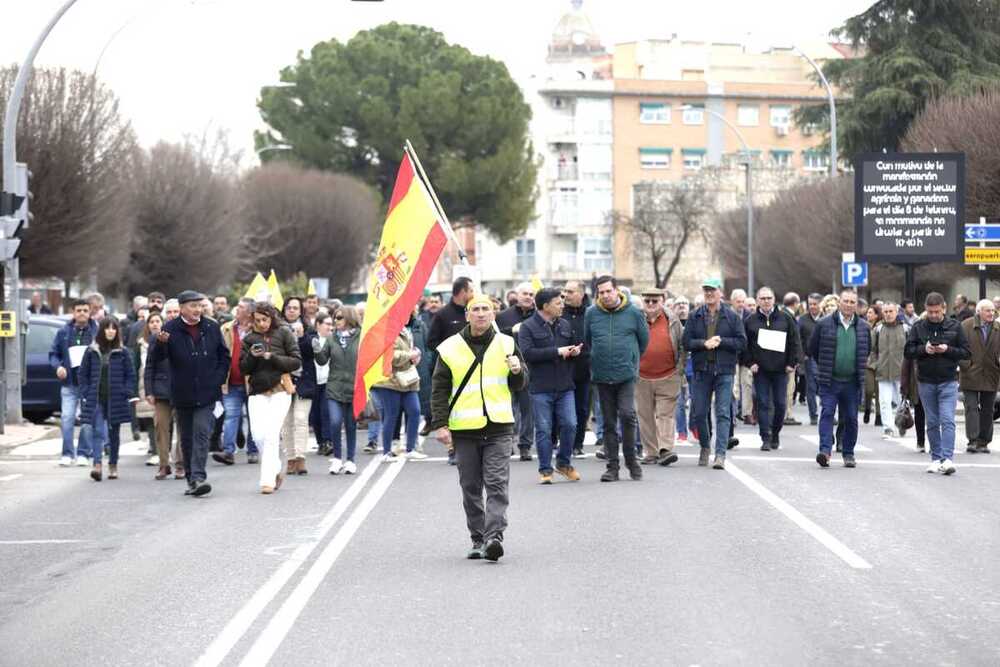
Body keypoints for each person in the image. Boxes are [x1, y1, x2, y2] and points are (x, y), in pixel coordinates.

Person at [431, 293, 527, 562]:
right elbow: (438, 389)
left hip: (498, 426)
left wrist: (518, 370)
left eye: (486, 309)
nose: (482, 313)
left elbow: (520, 384)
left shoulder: (507, 344)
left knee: (496, 484)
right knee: (471, 487)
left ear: (493, 315)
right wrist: (440, 425)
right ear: (467, 315)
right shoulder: (449, 348)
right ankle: (478, 537)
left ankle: (494, 536)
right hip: (464, 429)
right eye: (476, 309)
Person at [151, 290, 230, 497]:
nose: (198, 310)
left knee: (202, 433)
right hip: (182, 392)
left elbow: (224, 357)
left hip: (207, 392)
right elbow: (157, 358)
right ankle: (190, 478)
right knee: (186, 438)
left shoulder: (211, 327)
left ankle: (198, 477)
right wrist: (160, 344)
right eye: (193, 306)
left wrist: (217, 380)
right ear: (183, 307)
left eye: (200, 306)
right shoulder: (170, 328)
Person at [585, 275, 649, 481]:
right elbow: (588, 340)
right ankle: (612, 467)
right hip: (602, 375)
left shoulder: (633, 313)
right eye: (601, 292)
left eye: (608, 291)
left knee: (628, 414)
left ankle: (632, 460)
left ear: (616, 290)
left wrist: (631, 359)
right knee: (609, 423)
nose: (605, 295)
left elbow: (643, 342)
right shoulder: (591, 314)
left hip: (626, 374)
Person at [518, 288, 582, 484]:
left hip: (565, 385)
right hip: (541, 387)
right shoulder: (527, 327)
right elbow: (527, 354)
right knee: (544, 429)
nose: (562, 305)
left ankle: (563, 463)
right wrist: (557, 351)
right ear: (545, 306)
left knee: (571, 425)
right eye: (557, 302)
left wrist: (574, 351)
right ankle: (545, 470)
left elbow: (572, 346)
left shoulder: (565, 324)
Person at [683, 278, 747, 469]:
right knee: (700, 413)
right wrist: (703, 343)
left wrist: (722, 341)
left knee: (722, 413)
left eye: (713, 290)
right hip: (702, 371)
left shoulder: (732, 316)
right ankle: (705, 446)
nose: (709, 294)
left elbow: (742, 343)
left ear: (721, 293)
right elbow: (686, 342)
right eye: (706, 290)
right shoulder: (695, 316)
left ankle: (720, 454)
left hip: (724, 371)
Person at [905, 292, 970, 474]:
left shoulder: (955, 326)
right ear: (925, 310)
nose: (933, 315)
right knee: (932, 421)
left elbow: (966, 352)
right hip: (925, 381)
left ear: (944, 308)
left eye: (937, 311)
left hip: (948, 380)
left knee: (948, 420)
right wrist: (924, 349)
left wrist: (947, 349)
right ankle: (935, 458)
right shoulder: (918, 327)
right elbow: (908, 351)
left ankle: (947, 459)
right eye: (930, 311)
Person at [240, 303, 302, 493]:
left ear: (272, 318)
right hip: (257, 392)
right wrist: (252, 356)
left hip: (280, 389)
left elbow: (296, 361)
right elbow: (243, 368)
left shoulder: (284, 333)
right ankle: (275, 467)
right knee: (258, 435)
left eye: (265, 319)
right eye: (257, 320)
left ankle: (267, 481)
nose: (261, 323)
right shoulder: (249, 338)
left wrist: (272, 357)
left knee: (271, 435)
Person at [809, 288, 870, 469]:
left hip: (852, 382)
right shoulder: (823, 324)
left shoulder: (864, 327)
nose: (849, 305)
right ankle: (825, 452)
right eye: (846, 301)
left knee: (851, 418)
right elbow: (813, 348)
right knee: (827, 414)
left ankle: (848, 453)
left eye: (853, 302)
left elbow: (866, 350)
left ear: (856, 305)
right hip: (830, 380)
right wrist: (826, 366)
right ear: (839, 302)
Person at [79, 318, 138, 482]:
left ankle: (113, 465)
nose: (111, 331)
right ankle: (97, 465)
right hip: (97, 398)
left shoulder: (123, 351)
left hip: (116, 399)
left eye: (114, 328)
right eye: (107, 328)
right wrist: (86, 391)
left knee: (114, 434)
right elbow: (83, 374)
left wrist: (126, 391)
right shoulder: (92, 351)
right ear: (102, 331)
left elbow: (130, 375)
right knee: (97, 430)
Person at [743, 286, 800, 452]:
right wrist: (750, 362)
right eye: (763, 298)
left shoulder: (785, 318)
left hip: (781, 369)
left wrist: (792, 362)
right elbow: (745, 344)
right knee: (763, 403)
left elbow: (794, 342)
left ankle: (775, 433)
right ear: (758, 300)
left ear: (774, 299)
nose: (766, 301)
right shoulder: (751, 321)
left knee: (780, 404)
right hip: (760, 370)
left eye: (769, 298)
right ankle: (765, 437)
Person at [426, 277, 476, 450]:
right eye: (471, 290)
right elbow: (431, 342)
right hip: (449, 370)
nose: (473, 294)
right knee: (449, 406)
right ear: (462, 292)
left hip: (473, 370)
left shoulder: (473, 313)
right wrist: (450, 353)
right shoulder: (443, 314)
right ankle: (451, 447)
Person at [636, 287, 683, 466]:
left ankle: (665, 449)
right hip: (641, 376)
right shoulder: (636, 319)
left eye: (654, 301)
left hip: (668, 375)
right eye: (647, 301)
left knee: (665, 414)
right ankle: (651, 452)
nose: (650, 304)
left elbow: (681, 345)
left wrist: (679, 369)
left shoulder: (673, 320)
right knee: (645, 416)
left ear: (662, 301)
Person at [50, 299, 98, 467]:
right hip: (69, 383)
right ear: (73, 312)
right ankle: (67, 453)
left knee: (87, 419)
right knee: (67, 418)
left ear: (90, 311)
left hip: (89, 384)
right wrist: (58, 367)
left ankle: (84, 453)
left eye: (85, 310)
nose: (82, 313)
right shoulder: (64, 332)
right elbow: (54, 353)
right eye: (79, 310)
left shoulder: (96, 330)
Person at [372, 318, 427, 462]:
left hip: (408, 379)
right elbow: (390, 356)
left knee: (415, 411)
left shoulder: (405, 330)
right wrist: (411, 355)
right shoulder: (386, 331)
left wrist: (416, 354)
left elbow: (408, 351)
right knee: (391, 415)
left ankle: (410, 449)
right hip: (390, 380)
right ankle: (386, 452)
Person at [314, 307, 361, 474]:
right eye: (335, 318)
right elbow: (322, 360)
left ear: (349, 318)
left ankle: (350, 460)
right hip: (334, 387)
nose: (336, 321)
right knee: (334, 422)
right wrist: (316, 349)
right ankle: (336, 458)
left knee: (350, 425)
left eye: (339, 318)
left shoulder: (361, 336)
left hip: (354, 388)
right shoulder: (332, 338)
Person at [214, 298, 259, 466]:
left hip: (253, 383)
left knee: (254, 418)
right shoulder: (226, 328)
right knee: (230, 417)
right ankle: (228, 452)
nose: (236, 309)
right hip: (230, 381)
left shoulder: (258, 330)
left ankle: (253, 450)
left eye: (240, 307)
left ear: (248, 312)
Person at [497, 282, 538, 461]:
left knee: (527, 409)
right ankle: (507, 443)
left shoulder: (539, 317)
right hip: (505, 367)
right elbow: (495, 337)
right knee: (507, 408)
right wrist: (512, 331)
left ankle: (525, 445)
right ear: (517, 295)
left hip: (529, 368)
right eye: (525, 294)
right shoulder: (503, 316)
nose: (528, 297)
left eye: (531, 294)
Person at [958, 299, 1000, 455]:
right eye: (988, 310)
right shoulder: (966, 326)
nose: (991, 313)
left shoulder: (997, 328)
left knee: (988, 409)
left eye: (993, 311)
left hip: (991, 374)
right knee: (971, 408)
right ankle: (973, 440)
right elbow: (959, 347)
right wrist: (965, 365)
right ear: (979, 312)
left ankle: (984, 441)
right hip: (970, 373)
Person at [141, 312, 177, 480]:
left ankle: (181, 465)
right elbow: (150, 366)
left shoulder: (183, 335)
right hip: (161, 390)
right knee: (161, 428)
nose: (173, 315)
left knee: (183, 428)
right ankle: (164, 465)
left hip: (180, 388)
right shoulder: (156, 338)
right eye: (169, 312)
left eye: (175, 312)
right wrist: (149, 391)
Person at [280, 296, 311, 475]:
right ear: (284, 310)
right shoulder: (277, 330)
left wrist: (301, 337)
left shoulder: (308, 329)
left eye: (295, 308)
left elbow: (311, 355)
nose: (292, 311)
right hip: (284, 380)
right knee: (287, 421)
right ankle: (290, 458)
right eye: (289, 308)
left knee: (300, 419)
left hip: (303, 380)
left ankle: (300, 457)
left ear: (300, 311)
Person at [562, 280, 591, 457]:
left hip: (584, 369)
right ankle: (559, 440)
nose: (566, 295)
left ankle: (577, 443)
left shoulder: (590, 314)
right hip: (562, 369)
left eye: (571, 291)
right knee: (561, 409)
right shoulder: (559, 313)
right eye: (565, 291)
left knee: (582, 408)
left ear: (581, 294)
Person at [871, 302, 907, 438]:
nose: (888, 314)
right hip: (883, 371)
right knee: (884, 401)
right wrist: (875, 364)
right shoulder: (878, 329)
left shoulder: (905, 329)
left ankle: (901, 424)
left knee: (901, 401)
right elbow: (872, 349)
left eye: (891, 311)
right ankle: (888, 428)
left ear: (896, 312)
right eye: (885, 312)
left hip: (900, 371)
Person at [798, 293, 823, 426]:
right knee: (811, 387)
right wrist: (802, 355)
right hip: (810, 357)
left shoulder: (827, 318)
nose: (812, 306)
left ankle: (827, 413)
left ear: (820, 304)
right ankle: (813, 414)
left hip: (825, 358)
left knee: (825, 386)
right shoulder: (802, 320)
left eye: (815, 304)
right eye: (810, 304)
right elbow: (798, 338)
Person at [781, 292, 803, 426]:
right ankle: (787, 414)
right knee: (789, 388)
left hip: (784, 359)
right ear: (795, 304)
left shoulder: (782, 315)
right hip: (788, 360)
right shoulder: (789, 317)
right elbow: (793, 340)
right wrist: (794, 360)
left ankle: (786, 413)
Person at [673, 296, 692, 442]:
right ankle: (681, 432)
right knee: (679, 402)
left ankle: (694, 426)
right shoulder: (671, 324)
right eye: (678, 304)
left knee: (697, 401)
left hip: (693, 366)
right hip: (677, 367)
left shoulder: (695, 322)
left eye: (684, 303)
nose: (681, 306)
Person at [863, 305, 883, 427]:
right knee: (869, 390)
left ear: (876, 314)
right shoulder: (864, 326)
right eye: (867, 313)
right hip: (867, 362)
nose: (868, 315)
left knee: (879, 390)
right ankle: (867, 408)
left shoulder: (881, 327)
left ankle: (878, 415)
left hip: (880, 361)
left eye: (870, 313)